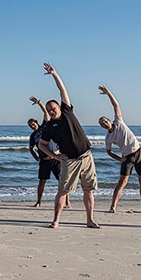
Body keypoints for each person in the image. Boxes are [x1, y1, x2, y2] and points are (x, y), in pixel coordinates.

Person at [37, 63, 100, 229]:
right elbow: (41, 145)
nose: (52, 111)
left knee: (88, 189)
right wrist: (56, 156)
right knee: (63, 190)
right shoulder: (50, 127)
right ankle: (56, 220)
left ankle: (90, 220)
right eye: (49, 110)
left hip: (86, 156)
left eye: (53, 108)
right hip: (69, 160)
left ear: (59, 107)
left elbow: (62, 90)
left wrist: (54, 74)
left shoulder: (67, 111)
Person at [97, 86, 141, 214]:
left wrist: (108, 93)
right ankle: (113, 206)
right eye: (102, 123)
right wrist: (119, 159)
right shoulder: (108, 138)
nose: (104, 123)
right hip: (127, 157)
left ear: (109, 120)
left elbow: (115, 104)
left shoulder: (119, 121)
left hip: (139, 153)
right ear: (102, 127)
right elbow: (109, 151)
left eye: (105, 120)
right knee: (122, 182)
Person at [27, 96, 69, 209]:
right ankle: (38, 201)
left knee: (62, 181)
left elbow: (46, 113)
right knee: (42, 181)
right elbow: (31, 148)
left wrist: (39, 103)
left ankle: (67, 202)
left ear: (36, 122)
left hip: (55, 158)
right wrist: (36, 157)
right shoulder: (33, 136)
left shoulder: (45, 126)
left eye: (33, 123)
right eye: (30, 125)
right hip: (44, 161)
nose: (32, 125)